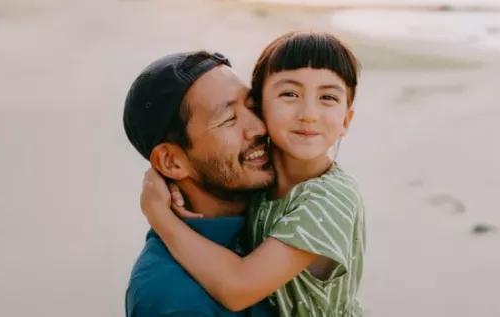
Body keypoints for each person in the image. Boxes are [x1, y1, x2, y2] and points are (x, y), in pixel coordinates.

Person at [140, 31, 366, 316]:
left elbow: (238, 287)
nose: (309, 113)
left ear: (345, 120)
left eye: (328, 97)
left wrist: (159, 216)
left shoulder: (330, 200)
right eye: (289, 94)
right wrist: (163, 176)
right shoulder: (261, 173)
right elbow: (203, 161)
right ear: (264, 106)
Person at [122, 50, 277, 317]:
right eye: (229, 119)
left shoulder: (280, 212)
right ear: (171, 162)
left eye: (252, 107)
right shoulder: (172, 297)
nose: (258, 128)